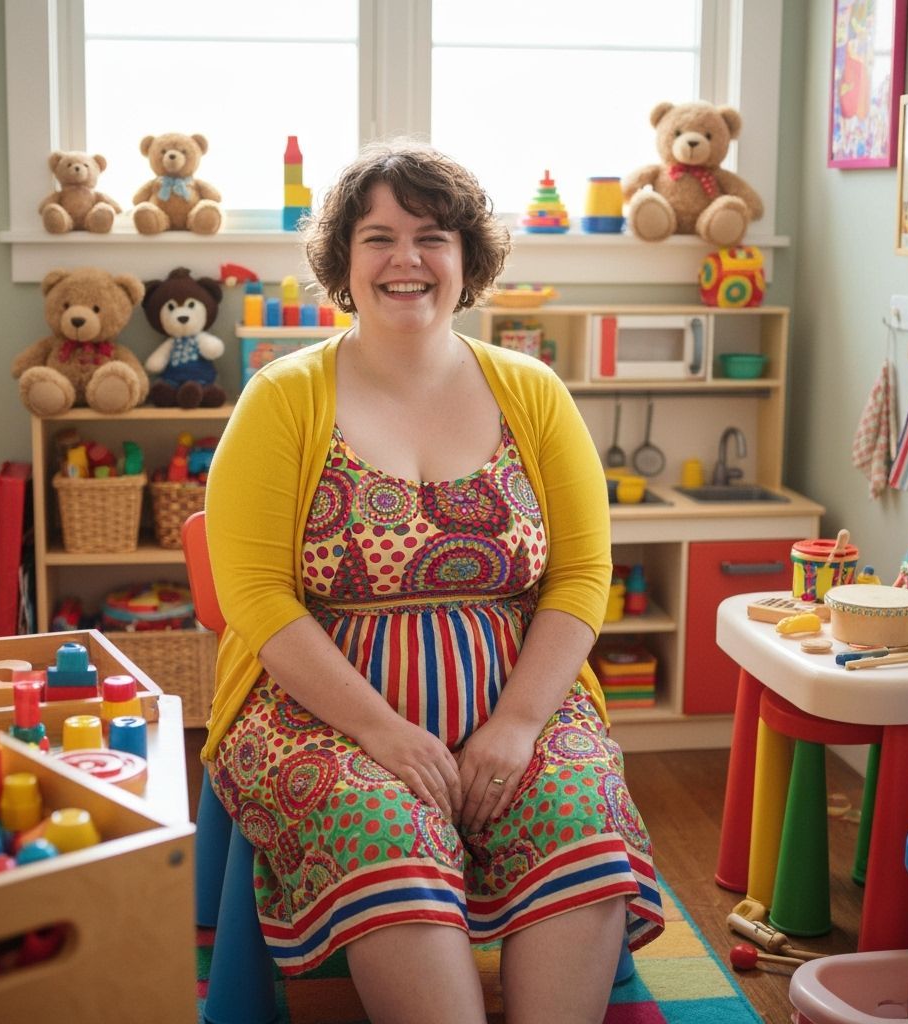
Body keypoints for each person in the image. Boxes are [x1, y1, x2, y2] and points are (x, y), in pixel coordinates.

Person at [203, 140, 664, 1024]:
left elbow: (580, 576)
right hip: (319, 711)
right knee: (380, 827)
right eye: (378, 237)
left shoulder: (531, 391)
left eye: (433, 236)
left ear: (469, 259)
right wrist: (385, 732)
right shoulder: (281, 397)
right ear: (343, 259)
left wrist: (520, 724)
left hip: (517, 699)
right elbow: (257, 599)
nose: (406, 259)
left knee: (579, 808)